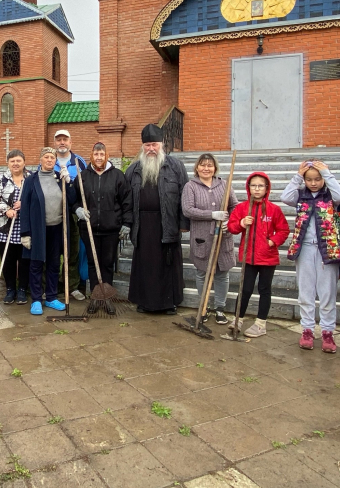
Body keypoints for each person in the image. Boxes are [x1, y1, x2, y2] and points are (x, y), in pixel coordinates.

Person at [281, 160, 340, 352]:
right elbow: (285, 197)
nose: (313, 183)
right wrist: (297, 177)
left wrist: (327, 173)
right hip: (305, 249)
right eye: (309, 179)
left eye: (317, 179)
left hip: (328, 249)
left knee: (327, 293)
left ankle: (328, 331)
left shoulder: (331, 196)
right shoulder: (301, 196)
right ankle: (307, 329)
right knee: (306, 291)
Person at [124, 124, 189, 314]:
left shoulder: (176, 166)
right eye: (147, 145)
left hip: (167, 223)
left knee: (168, 264)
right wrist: (127, 223)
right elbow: (127, 200)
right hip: (143, 225)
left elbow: (185, 194)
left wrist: (183, 223)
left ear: (162, 144)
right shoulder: (134, 169)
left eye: (154, 144)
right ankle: (144, 302)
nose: (151, 149)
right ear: (142, 147)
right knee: (145, 265)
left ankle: (169, 303)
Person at [226, 172, 290, 338]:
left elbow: (283, 230)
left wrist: (272, 241)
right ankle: (238, 319)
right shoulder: (242, 208)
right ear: (248, 188)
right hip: (249, 257)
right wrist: (241, 223)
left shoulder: (274, 209)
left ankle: (261, 323)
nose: (257, 189)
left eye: (260, 185)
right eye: (253, 185)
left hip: (268, 257)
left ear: (266, 188)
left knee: (264, 289)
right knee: (244, 289)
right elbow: (232, 227)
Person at [181, 153, 238, 325]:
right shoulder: (191, 186)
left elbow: (234, 205)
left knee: (222, 274)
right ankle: (203, 308)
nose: (206, 168)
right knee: (202, 273)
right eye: (203, 165)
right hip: (202, 237)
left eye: (210, 165)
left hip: (223, 236)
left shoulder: (224, 184)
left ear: (215, 168)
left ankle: (220, 309)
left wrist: (230, 220)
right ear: (197, 167)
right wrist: (212, 214)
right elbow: (188, 210)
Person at [20, 148, 75, 315]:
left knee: (53, 263)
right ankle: (37, 299)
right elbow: (25, 207)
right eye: (46, 157)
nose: (50, 160)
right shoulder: (31, 180)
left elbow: (71, 200)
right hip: (38, 229)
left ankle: (51, 297)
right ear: (41, 160)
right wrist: (25, 233)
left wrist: (69, 182)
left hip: (57, 228)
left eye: (53, 157)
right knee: (36, 264)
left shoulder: (60, 178)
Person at [73, 143, 132, 296]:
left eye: (101, 154)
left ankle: (107, 296)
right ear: (91, 156)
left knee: (107, 263)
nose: (99, 158)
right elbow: (73, 199)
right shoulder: (83, 177)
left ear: (107, 156)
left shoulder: (117, 175)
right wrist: (77, 209)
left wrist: (126, 223)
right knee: (93, 263)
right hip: (89, 229)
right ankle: (95, 296)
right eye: (96, 154)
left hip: (111, 229)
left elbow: (126, 201)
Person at [51, 130, 90, 300]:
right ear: (55, 143)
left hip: (73, 211)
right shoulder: (49, 159)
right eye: (58, 140)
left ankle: (72, 285)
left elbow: (86, 185)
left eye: (65, 140)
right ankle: (51, 285)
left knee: (72, 249)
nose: (62, 143)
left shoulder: (78, 161)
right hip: (52, 211)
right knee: (52, 249)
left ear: (70, 142)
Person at [0, 150, 31, 304]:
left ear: (24, 162)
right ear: (8, 163)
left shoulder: (31, 178)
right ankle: (10, 289)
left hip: (25, 227)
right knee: (8, 259)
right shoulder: (2, 180)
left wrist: (24, 203)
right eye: (12, 161)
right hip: (6, 227)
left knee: (24, 260)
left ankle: (22, 289)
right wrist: (6, 210)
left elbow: (36, 196)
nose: (15, 163)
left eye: (18, 160)